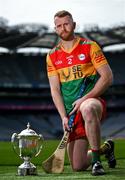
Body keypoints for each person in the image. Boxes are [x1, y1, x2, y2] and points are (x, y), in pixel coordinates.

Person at [46, 10, 116, 176]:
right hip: (71, 113)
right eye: (59, 26)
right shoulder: (51, 56)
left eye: (66, 24)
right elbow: (55, 90)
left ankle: (97, 163)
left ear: (74, 25)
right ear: (55, 29)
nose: (63, 28)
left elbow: (107, 77)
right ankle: (106, 148)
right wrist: (64, 116)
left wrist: (84, 99)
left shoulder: (90, 46)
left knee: (87, 107)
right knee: (78, 165)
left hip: (92, 102)